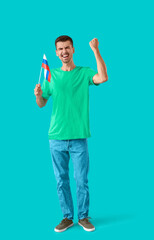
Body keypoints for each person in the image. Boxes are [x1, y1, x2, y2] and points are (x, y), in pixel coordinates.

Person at [34, 35, 108, 232]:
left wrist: (95, 50)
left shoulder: (84, 73)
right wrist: (39, 96)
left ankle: (83, 217)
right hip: (56, 138)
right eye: (60, 49)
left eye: (67, 48)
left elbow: (103, 77)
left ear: (73, 49)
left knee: (82, 180)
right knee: (61, 180)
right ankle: (67, 217)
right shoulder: (51, 75)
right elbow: (42, 105)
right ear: (56, 53)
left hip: (78, 138)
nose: (64, 52)